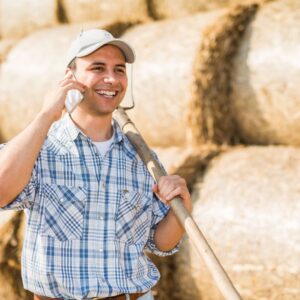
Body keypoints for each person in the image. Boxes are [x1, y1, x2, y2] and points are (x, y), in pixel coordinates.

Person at [0, 29, 192, 300]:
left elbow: (159, 242)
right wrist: (46, 115)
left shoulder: (142, 157)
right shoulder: (41, 147)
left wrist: (181, 209)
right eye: (97, 68)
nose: (111, 79)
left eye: (119, 70)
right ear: (71, 78)